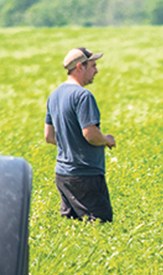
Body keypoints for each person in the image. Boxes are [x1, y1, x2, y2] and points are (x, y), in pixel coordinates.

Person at [44, 46, 116, 222]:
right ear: (79, 67)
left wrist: (70, 144)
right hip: (86, 174)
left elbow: (49, 136)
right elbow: (90, 134)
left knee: (73, 227)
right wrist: (106, 140)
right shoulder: (83, 96)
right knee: (99, 224)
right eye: (93, 66)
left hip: (63, 174)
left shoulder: (54, 95)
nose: (96, 71)